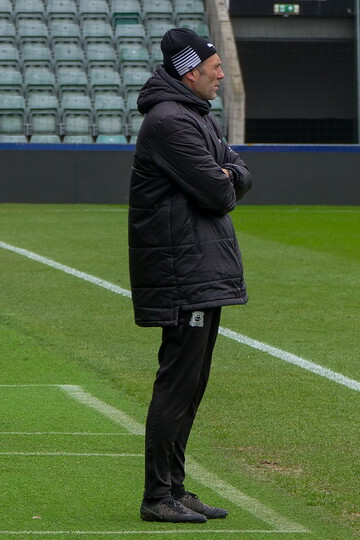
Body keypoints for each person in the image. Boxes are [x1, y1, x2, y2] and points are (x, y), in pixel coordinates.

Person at [128, 28, 252, 524]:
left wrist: (228, 174)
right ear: (188, 71)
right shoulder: (169, 123)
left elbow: (239, 171)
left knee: (192, 384)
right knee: (178, 384)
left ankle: (175, 489)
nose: (222, 74)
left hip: (199, 268)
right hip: (183, 271)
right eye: (214, 67)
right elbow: (221, 192)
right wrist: (226, 178)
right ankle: (157, 496)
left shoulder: (194, 116)